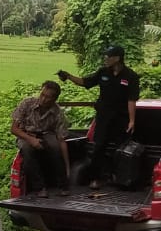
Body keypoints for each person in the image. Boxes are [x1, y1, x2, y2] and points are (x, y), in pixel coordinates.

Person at [58, 44, 140, 188]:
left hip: (121, 119)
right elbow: (85, 82)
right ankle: (96, 178)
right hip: (103, 117)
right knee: (98, 147)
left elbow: (131, 100)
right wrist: (69, 76)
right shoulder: (103, 72)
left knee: (120, 149)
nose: (105, 59)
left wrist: (132, 121)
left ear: (117, 58)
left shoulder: (131, 76)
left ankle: (119, 179)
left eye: (108, 56)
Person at [10, 80, 72, 196]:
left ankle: (63, 185)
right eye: (42, 95)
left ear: (54, 99)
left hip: (45, 134)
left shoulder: (57, 112)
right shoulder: (27, 103)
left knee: (55, 146)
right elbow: (14, 129)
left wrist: (67, 167)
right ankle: (40, 188)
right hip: (25, 133)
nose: (43, 99)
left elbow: (61, 139)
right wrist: (31, 139)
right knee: (27, 149)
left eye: (48, 97)